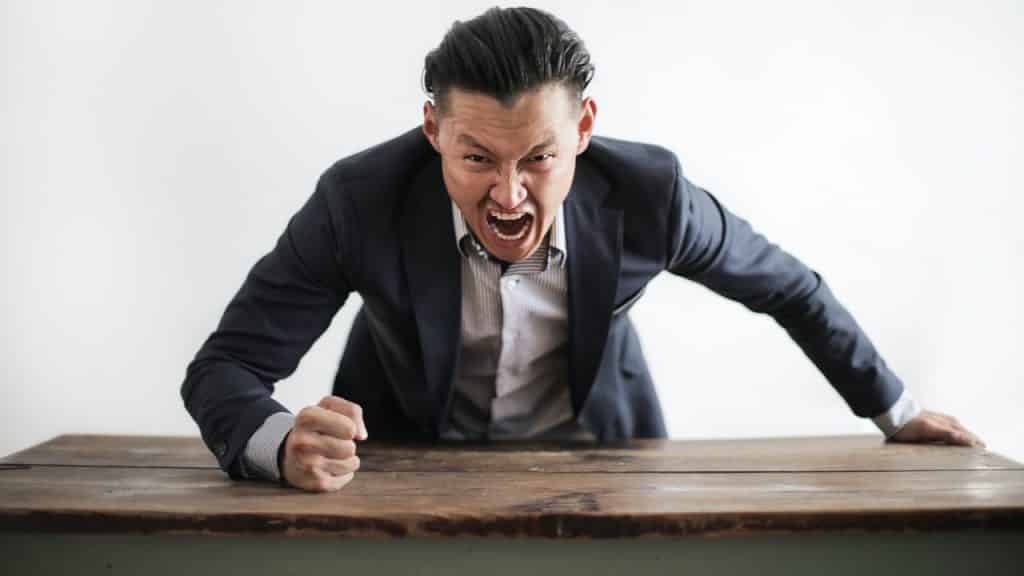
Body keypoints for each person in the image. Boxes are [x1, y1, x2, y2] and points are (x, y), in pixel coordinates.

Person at [181, 7, 984, 493]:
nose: (508, 195)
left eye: (538, 158)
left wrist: (896, 410)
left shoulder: (652, 198)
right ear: (433, 132)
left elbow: (790, 289)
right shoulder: (357, 203)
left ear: (585, 131)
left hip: (602, 462)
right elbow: (223, 369)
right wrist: (279, 444)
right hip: (401, 465)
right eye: (475, 159)